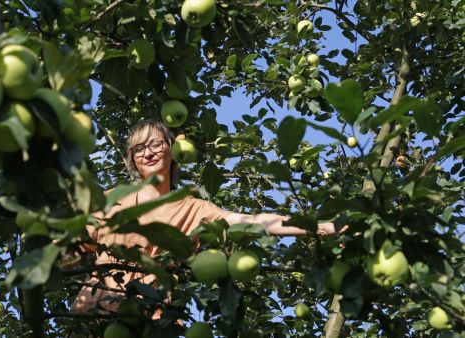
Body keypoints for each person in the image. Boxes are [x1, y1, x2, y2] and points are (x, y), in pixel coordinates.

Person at [70, 120, 340, 315]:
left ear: (173, 150)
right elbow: (74, 249)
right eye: (138, 149)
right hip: (95, 308)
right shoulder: (111, 198)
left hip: (151, 314)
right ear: (132, 159)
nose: (148, 153)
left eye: (155, 144)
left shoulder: (194, 209)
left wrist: (324, 227)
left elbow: (252, 221)